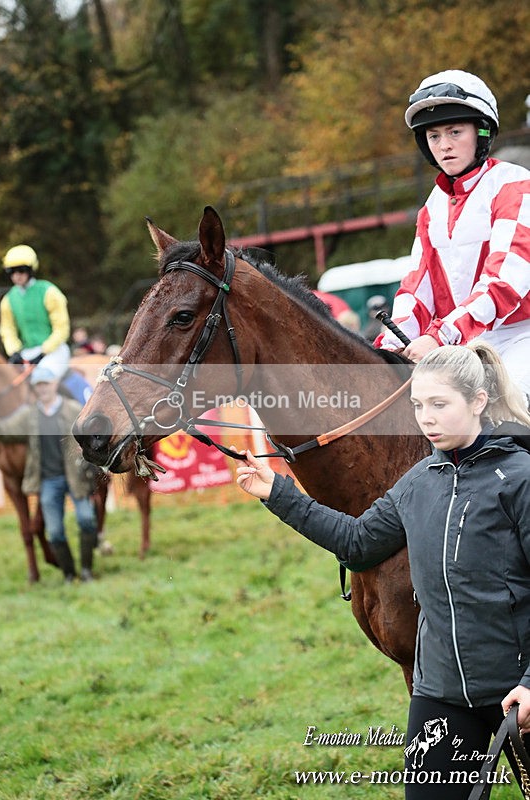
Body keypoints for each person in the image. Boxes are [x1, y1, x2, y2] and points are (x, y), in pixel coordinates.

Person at [235, 341, 530, 799]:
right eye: (417, 405)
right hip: (441, 695)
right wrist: (277, 492)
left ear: (478, 401)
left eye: (439, 404)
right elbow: (357, 543)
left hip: (518, 692)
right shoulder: (416, 483)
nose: (425, 418)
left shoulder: (521, 479)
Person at [376, 70, 530, 398]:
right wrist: (388, 347)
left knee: (508, 400)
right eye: (433, 136)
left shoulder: (514, 184)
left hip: (520, 338)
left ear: (482, 132)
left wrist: (439, 336)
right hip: (463, 344)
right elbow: (417, 289)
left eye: (455, 132)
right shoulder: (431, 207)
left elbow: (504, 284)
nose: (444, 145)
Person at [0, 365, 98, 582]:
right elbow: (4, 430)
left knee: (87, 520)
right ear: (34, 389)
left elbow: (86, 435)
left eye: (46, 384)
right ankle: (70, 574)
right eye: (38, 386)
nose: (42, 389)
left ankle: (87, 570)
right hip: (49, 481)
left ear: (54, 385)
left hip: (74, 477)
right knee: (54, 532)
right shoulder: (29, 415)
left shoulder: (72, 409)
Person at [0, 244, 71, 381]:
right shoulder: (8, 300)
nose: (16, 275)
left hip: (54, 352)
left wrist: (43, 352)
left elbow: (62, 329)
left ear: (31, 270)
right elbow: (7, 330)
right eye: (11, 271)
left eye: (21, 270)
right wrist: (14, 351)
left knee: (40, 378)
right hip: (26, 353)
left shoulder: (50, 292)